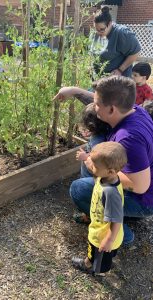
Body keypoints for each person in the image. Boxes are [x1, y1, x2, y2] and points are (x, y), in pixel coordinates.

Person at [53, 75, 153, 245]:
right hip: (140, 177)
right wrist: (74, 91)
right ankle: (118, 211)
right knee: (97, 142)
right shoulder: (135, 110)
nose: (94, 106)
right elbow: (102, 101)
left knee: (78, 189)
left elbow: (141, 185)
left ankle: (122, 235)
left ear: (112, 109)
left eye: (97, 104)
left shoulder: (129, 138)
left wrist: (96, 168)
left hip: (143, 199)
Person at [72, 141, 127, 274]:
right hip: (104, 232)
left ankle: (90, 267)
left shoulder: (110, 193)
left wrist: (108, 240)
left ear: (110, 171)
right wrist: (86, 158)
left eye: (96, 165)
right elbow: (93, 167)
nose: (92, 166)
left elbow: (116, 220)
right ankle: (106, 260)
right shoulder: (106, 176)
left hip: (102, 236)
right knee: (108, 254)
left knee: (96, 255)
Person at [89, 6, 141, 78]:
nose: (98, 32)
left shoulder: (122, 33)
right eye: (96, 29)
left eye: (102, 29)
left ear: (110, 23)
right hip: (99, 78)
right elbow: (91, 52)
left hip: (118, 81)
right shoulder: (94, 33)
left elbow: (135, 52)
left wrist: (120, 70)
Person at [76, 103, 110, 180]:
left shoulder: (97, 140)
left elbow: (98, 158)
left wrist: (85, 157)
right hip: (93, 172)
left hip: (91, 173)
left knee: (82, 183)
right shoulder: (104, 132)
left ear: (91, 126)